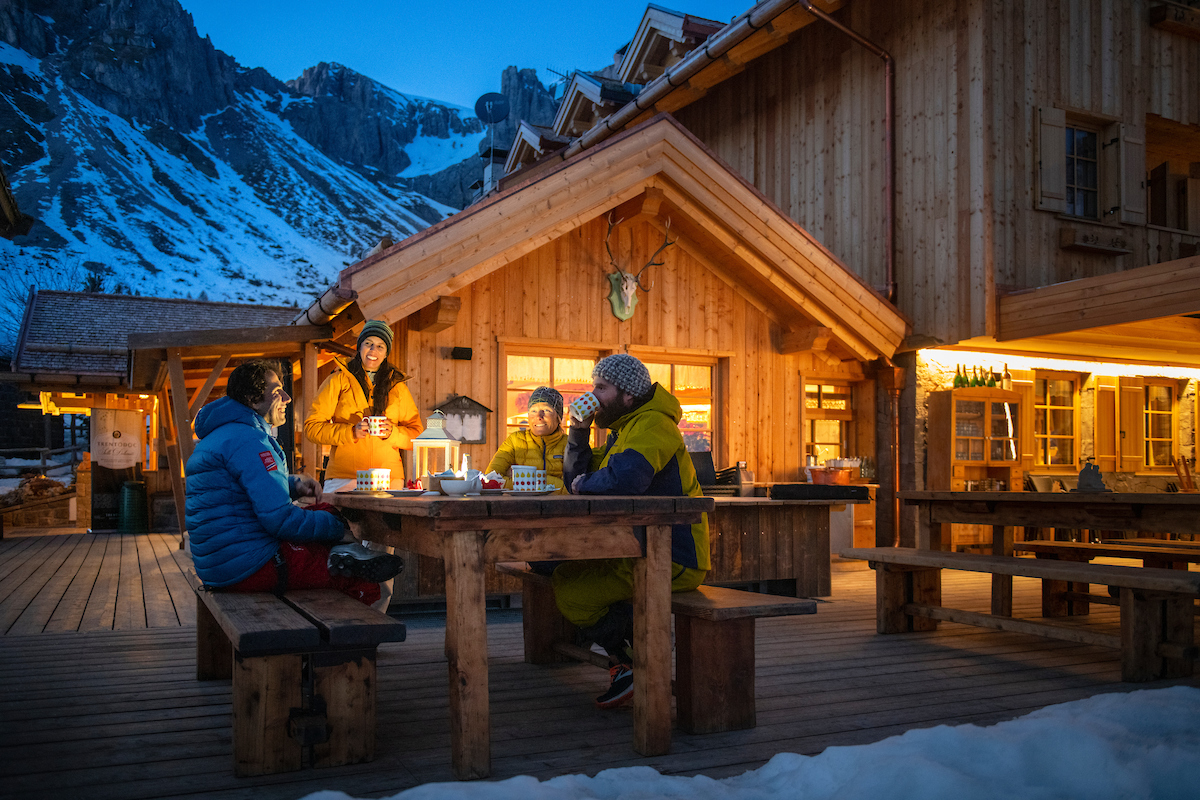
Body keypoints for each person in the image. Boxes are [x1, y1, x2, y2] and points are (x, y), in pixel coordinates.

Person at [558, 353, 709, 708]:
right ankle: (635, 654)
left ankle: (635, 661)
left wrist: (584, 485)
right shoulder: (624, 430)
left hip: (675, 556)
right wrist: (578, 431)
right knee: (562, 573)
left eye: (601, 388)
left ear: (627, 394)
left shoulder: (655, 424)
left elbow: (625, 479)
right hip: (641, 549)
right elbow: (577, 478)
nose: (593, 395)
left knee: (574, 594)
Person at [186, 359, 403, 606]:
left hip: (219, 563)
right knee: (360, 581)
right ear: (252, 399)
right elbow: (280, 521)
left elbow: (237, 492)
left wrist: (292, 486)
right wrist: (338, 528)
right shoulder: (248, 440)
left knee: (323, 512)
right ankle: (350, 628)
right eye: (277, 391)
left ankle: (345, 552)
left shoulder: (222, 435)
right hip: (249, 565)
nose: (287, 398)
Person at [303, 319, 423, 610]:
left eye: (380, 346)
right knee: (343, 547)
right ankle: (341, 615)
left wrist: (392, 433)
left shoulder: (397, 386)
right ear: (359, 347)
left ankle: (376, 619)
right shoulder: (338, 379)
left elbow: (417, 434)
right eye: (368, 343)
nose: (373, 350)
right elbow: (312, 427)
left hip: (388, 481)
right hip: (345, 478)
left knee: (381, 551)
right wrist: (350, 432)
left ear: (386, 352)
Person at [486, 385, 568, 493]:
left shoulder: (570, 444)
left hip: (561, 504)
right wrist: (555, 484)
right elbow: (491, 479)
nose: (539, 416)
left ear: (558, 417)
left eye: (546, 410)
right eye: (533, 411)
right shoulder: (515, 441)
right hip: (521, 503)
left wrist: (520, 481)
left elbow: (576, 487)